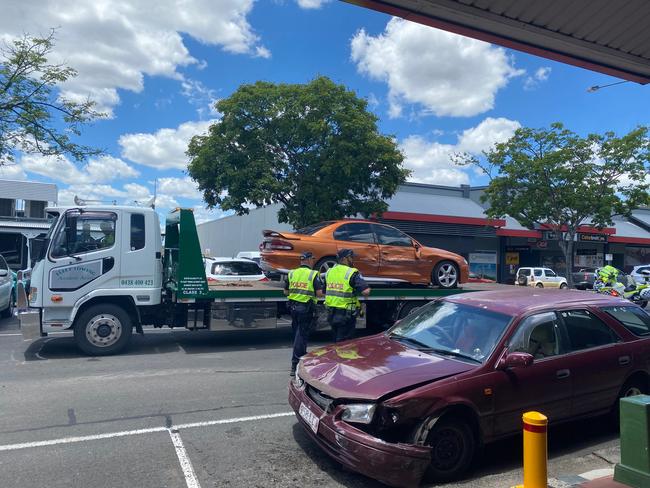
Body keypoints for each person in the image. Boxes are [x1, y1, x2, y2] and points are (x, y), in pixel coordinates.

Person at [284, 252, 323, 376]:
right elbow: (319, 293)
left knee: (297, 334)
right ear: (308, 260)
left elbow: (286, 291)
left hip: (293, 307)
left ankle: (299, 359)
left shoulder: (291, 273)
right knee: (301, 336)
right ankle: (296, 363)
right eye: (312, 259)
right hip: (305, 308)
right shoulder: (313, 274)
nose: (313, 261)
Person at [324, 249, 370, 343]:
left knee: (336, 340)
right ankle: (343, 358)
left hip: (331, 312)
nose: (352, 259)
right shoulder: (351, 272)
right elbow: (365, 291)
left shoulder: (329, 271)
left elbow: (325, 291)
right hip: (346, 314)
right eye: (351, 257)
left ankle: (336, 357)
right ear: (344, 259)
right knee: (345, 343)